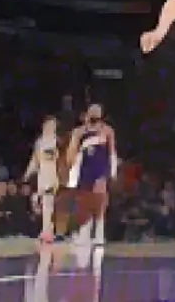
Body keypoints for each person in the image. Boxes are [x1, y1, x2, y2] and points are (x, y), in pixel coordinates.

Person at [66, 104, 117, 245]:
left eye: (97, 112)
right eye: (92, 112)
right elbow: (71, 152)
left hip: (101, 169)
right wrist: (71, 167)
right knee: (84, 201)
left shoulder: (107, 131)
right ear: (87, 114)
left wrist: (112, 172)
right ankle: (84, 231)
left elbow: (112, 152)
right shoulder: (78, 132)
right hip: (84, 170)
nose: (94, 114)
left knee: (100, 199)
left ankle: (99, 232)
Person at [24, 115, 60, 243]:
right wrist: (28, 173)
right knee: (42, 202)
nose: (52, 128)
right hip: (42, 175)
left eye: (54, 126)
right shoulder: (39, 142)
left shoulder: (57, 141)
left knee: (48, 203)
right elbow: (35, 159)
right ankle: (47, 229)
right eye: (50, 125)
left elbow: (59, 159)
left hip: (52, 174)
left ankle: (47, 231)